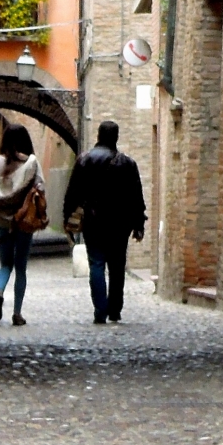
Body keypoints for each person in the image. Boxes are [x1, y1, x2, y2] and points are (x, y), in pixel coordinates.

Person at [64, 120, 146, 324]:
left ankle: (100, 309)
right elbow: (136, 196)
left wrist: (68, 220)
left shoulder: (84, 160)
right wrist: (138, 224)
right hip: (120, 224)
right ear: (116, 137)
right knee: (117, 267)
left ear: (98, 136)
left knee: (97, 265)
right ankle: (115, 309)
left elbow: (72, 194)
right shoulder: (127, 163)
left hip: (93, 222)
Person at [0, 124, 45, 326]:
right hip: (24, 220)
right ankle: (17, 313)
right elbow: (40, 187)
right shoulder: (31, 163)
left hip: (1, 219)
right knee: (21, 267)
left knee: (5, 263)